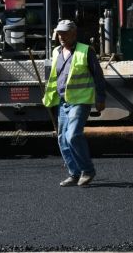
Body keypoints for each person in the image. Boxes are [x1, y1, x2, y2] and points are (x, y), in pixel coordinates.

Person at [43, 20, 106, 187]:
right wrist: (49, 98)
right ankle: (74, 173)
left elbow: (98, 76)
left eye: (65, 33)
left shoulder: (86, 51)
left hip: (81, 101)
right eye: (59, 33)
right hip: (63, 101)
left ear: (74, 34)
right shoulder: (56, 51)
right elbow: (55, 77)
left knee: (73, 135)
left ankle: (88, 170)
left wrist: (100, 98)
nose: (61, 36)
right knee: (62, 138)